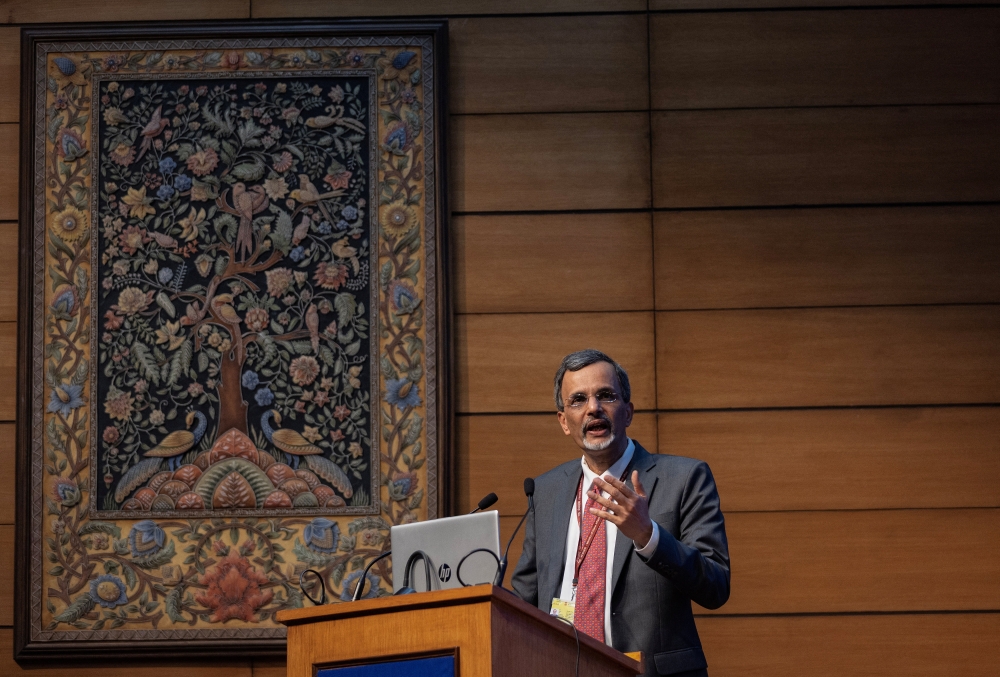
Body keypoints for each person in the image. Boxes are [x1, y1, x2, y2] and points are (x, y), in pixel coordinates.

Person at [511, 349, 730, 677]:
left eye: (605, 395)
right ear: (564, 422)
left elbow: (716, 587)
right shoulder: (546, 491)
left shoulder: (684, 478)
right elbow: (524, 598)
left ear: (628, 412)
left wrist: (648, 535)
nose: (593, 408)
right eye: (578, 400)